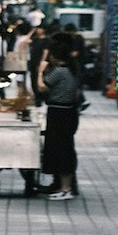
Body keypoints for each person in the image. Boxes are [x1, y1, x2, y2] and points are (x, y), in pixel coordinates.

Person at [39, 35, 82, 201]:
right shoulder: (72, 70)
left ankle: (65, 189)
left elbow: (42, 87)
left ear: (55, 56)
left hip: (58, 113)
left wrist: (40, 71)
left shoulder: (59, 71)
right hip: (69, 112)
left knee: (60, 151)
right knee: (65, 149)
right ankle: (64, 187)